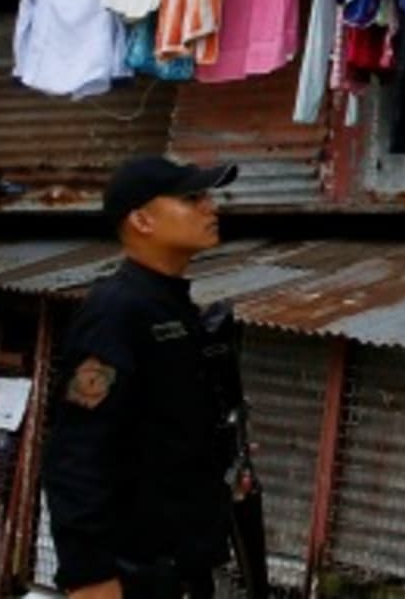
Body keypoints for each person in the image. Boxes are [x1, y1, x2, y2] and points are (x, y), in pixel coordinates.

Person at [43, 156, 242, 599]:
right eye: (192, 198)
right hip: (131, 575)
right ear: (142, 220)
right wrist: (88, 576)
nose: (211, 207)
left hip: (184, 567)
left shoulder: (176, 309)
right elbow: (75, 454)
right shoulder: (116, 312)